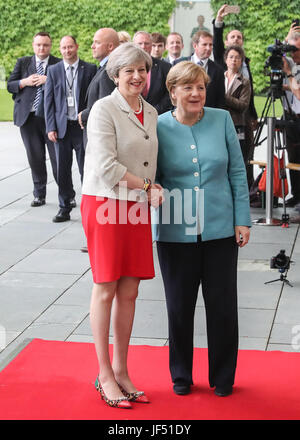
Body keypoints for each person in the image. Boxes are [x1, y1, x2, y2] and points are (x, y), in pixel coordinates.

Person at [153, 61, 251, 398]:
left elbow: (237, 173)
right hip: (175, 233)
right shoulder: (158, 125)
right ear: (172, 92)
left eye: (201, 87)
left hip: (221, 230)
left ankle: (223, 376)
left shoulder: (222, 119)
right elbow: (151, 176)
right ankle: (180, 375)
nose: (196, 94)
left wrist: (242, 219)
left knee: (223, 307)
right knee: (179, 308)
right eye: (188, 88)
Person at [80, 43, 163, 409]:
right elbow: (106, 167)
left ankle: (122, 370)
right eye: (128, 70)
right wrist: (148, 187)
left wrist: (148, 190)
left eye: (142, 70)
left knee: (130, 290)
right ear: (115, 74)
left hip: (136, 206)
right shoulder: (103, 108)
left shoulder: (152, 111)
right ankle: (103, 374)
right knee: (106, 287)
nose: (137, 76)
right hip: (105, 203)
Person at [44, 35, 97, 222]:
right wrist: (50, 126)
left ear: (77, 47)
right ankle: (64, 207)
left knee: (86, 169)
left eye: (70, 47)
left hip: (82, 127)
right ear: (60, 49)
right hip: (61, 128)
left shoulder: (90, 69)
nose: (67, 51)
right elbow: (48, 101)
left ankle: (88, 209)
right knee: (62, 170)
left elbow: (94, 99)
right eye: (64, 48)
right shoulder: (53, 70)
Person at [7, 32, 60, 207]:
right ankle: (39, 195)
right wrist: (24, 82)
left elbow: (66, 86)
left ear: (50, 46)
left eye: (45, 45)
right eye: (38, 45)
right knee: (35, 158)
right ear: (33, 45)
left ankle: (66, 194)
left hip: (50, 119)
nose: (41, 48)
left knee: (58, 158)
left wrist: (49, 79)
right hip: (28, 119)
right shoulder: (23, 62)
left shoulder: (57, 63)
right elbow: (10, 85)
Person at [213, 4, 258, 188]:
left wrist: (253, 115)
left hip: (242, 119)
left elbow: (249, 95)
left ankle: (247, 190)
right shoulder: (221, 66)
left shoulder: (245, 64)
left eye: (239, 37)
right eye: (233, 36)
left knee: (245, 155)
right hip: (223, 119)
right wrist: (219, 21)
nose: (236, 39)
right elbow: (217, 44)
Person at [78, 28, 120, 137]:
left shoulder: (109, 71)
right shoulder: (104, 68)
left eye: (97, 42)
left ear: (110, 46)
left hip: (100, 135)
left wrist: (84, 115)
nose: (92, 46)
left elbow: (104, 107)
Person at [175, 30, 225, 109]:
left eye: (210, 45)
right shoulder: (179, 64)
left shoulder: (218, 70)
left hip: (208, 115)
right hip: (182, 113)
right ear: (195, 46)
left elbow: (220, 99)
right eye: (204, 44)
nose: (208, 48)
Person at [133, 31, 173, 114]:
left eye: (147, 43)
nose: (143, 46)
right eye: (140, 43)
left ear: (151, 45)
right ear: (133, 45)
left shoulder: (165, 67)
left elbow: (169, 93)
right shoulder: (126, 67)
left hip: (158, 116)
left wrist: (153, 111)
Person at [282, 27, 300, 208]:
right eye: (291, 49)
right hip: (290, 116)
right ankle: (296, 193)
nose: (293, 53)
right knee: (292, 157)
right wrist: (285, 43)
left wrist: (289, 75)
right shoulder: (291, 63)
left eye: (296, 49)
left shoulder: (292, 69)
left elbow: (299, 92)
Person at [224, 45, 251, 164]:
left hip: (237, 124)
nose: (234, 60)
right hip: (219, 122)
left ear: (241, 61)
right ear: (226, 60)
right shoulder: (218, 78)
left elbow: (243, 105)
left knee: (236, 156)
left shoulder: (244, 81)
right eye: (231, 57)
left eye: (237, 58)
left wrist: (224, 98)